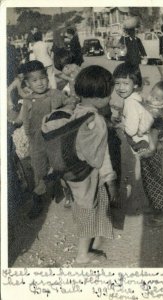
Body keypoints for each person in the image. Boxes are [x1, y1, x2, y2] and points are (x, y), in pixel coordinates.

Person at [41, 65, 116, 264]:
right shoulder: (96, 120)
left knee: (81, 208)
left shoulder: (75, 110)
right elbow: (96, 159)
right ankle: (83, 254)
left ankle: (91, 242)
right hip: (86, 176)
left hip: (69, 173)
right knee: (88, 212)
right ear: (103, 96)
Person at [112, 63, 163, 226]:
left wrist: (121, 125)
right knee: (151, 177)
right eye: (117, 83)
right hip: (148, 143)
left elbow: (131, 130)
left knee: (152, 179)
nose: (120, 87)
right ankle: (156, 207)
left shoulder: (131, 103)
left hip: (146, 146)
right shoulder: (137, 97)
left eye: (125, 83)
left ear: (136, 84)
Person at [21, 60, 74, 219]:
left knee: (62, 165)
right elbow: (26, 122)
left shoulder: (56, 94)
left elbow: (70, 103)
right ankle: (38, 198)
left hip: (57, 140)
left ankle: (68, 191)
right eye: (34, 80)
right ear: (28, 83)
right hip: (37, 142)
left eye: (42, 78)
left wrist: (68, 105)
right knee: (39, 170)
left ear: (47, 77)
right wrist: (29, 139)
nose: (40, 83)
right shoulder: (28, 100)